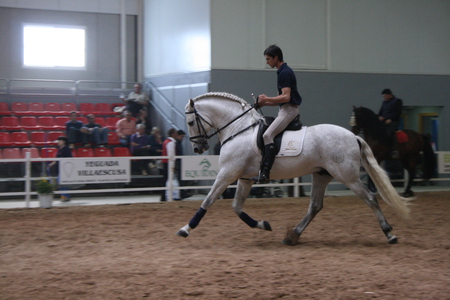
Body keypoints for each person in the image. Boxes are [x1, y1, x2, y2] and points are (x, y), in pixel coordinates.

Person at [251, 45, 302, 183]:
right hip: (285, 108)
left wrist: (267, 98)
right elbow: (281, 100)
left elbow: (286, 97)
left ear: (276, 58)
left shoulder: (285, 73)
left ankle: (265, 173)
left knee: (267, 135)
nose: (267, 62)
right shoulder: (282, 71)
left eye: (268, 59)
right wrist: (263, 104)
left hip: (289, 110)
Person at [378, 88, 403, 159]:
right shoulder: (384, 103)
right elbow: (380, 112)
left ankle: (395, 150)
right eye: (383, 96)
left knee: (390, 132)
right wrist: (380, 117)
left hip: (394, 121)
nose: (384, 97)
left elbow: (398, 113)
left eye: (385, 96)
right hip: (384, 121)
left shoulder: (398, 101)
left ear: (389, 95)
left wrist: (391, 119)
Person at [47, 136, 73, 202]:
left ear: (64, 142)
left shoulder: (66, 149)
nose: (58, 142)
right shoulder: (59, 149)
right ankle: (64, 196)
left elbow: (69, 158)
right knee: (61, 182)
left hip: (65, 169)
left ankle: (65, 196)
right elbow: (57, 159)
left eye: (59, 141)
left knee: (62, 182)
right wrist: (51, 164)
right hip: (60, 168)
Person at [161, 128, 179, 201]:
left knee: (166, 179)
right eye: (175, 133)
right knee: (169, 179)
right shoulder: (171, 142)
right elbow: (171, 155)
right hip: (168, 163)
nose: (176, 134)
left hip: (165, 162)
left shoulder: (166, 141)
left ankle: (164, 196)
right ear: (172, 134)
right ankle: (168, 196)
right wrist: (172, 165)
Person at [175, 130, 188, 198]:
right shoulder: (176, 143)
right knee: (180, 179)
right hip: (178, 163)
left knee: (181, 179)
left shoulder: (178, 143)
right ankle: (182, 193)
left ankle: (182, 193)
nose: (182, 138)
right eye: (181, 136)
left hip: (179, 162)